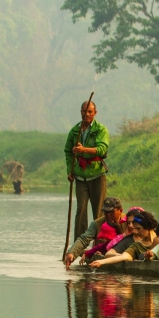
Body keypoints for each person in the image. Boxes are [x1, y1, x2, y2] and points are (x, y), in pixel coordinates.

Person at [64, 100, 109, 240]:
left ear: (95, 113)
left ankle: (99, 245)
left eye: (90, 112)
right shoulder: (74, 131)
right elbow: (68, 151)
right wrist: (70, 171)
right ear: (81, 112)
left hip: (97, 175)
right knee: (81, 210)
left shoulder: (100, 130)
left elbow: (102, 149)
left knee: (99, 212)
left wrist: (84, 150)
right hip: (80, 176)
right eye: (84, 111)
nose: (87, 114)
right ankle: (79, 244)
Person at [65, 196, 124, 268]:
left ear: (120, 211)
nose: (108, 215)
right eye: (105, 212)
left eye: (111, 212)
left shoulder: (129, 222)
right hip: (103, 254)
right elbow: (84, 239)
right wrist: (71, 253)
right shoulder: (97, 223)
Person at [90, 211, 159, 268]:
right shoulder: (136, 246)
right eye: (135, 228)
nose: (136, 231)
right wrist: (101, 262)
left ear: (148, 227)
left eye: (139, 229)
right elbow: (123, 257)